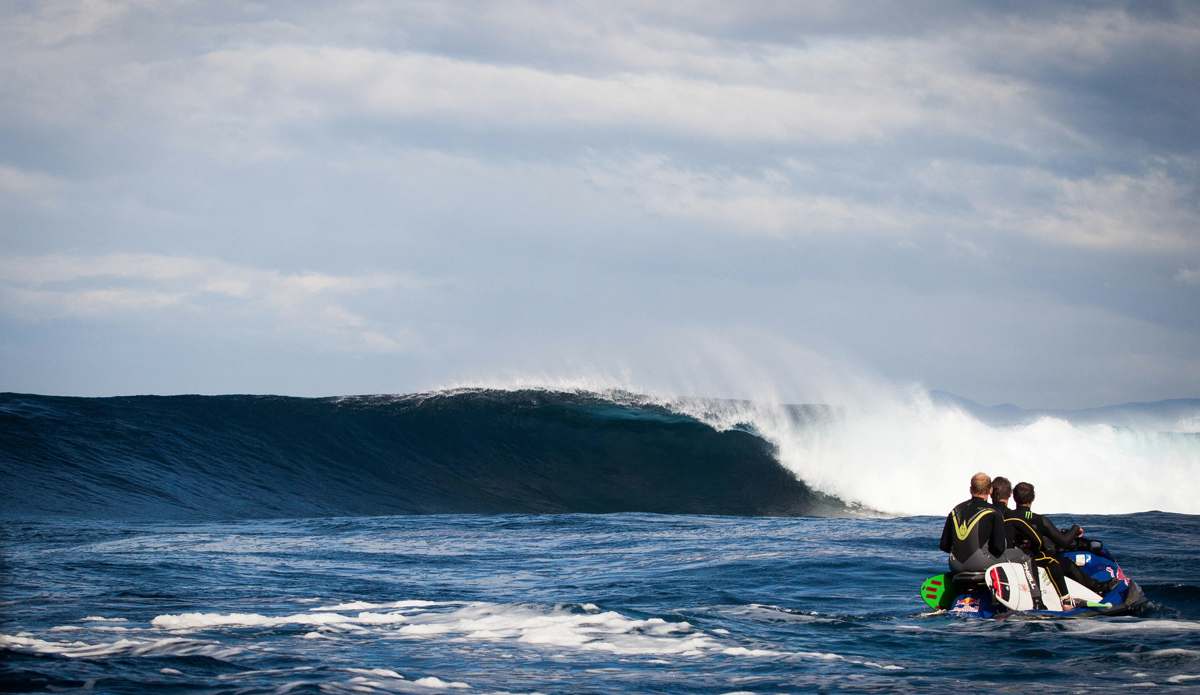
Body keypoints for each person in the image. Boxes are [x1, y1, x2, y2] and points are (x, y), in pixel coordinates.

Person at [1005, 481, 1120, 601]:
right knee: (1068, 563)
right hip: (1035, 562)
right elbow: (1064, 542)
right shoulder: (1039, 520)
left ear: (1014, 497)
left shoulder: (1008, 516)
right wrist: (1075, 529)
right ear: (1033, 498)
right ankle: (1097, 587)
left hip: (1012, 561)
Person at [940, 473, 1025, 572]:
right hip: (980, 563)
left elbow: (944, 545)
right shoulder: (993, 511)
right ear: (990, 490)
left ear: (970, 489)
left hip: (955, 565)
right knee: (1025, 555)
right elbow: (999, 548)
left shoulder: (956, 510)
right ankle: (1031, 587)